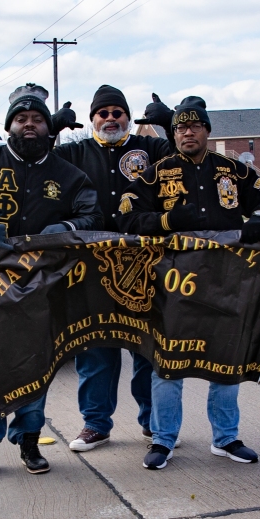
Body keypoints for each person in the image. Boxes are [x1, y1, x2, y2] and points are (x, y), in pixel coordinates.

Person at [0, 83, 103, 480]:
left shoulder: (68, 174)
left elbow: (92, 215)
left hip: (45, 286)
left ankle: (29, 441)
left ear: (49, 128)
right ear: (10, 125)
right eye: (21, 119)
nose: (29, 125)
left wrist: (64, 226)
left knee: (37, 364)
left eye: (37, 120)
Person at [116, 95, 260, 470]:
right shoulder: (156, 172)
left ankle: (226, 438)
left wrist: (257, 218)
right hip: (172, 283)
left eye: (194, 126)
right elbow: (127, 216)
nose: (187, 132)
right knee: (168, 363)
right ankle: (163, 440)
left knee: (225, 360)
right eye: (179, 127)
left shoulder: (232, 170)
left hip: (226, 279)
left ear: (207, 130)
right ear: (173, 133)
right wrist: (167, 222)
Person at [51, 85, 172, 452]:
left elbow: (185, 153)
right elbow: (37, 157)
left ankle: (154, 422)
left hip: (145, 264)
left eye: (118, 112)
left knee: (147, 347)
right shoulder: (72, 153)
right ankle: (95, 424)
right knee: (95, 347)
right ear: (92, 120)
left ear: (128, 117)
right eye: (102, 113)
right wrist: (53, 127)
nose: (110, 119)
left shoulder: (149, 149)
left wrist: (168, 123)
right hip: (91, 267)